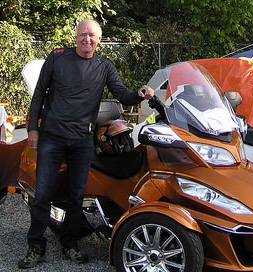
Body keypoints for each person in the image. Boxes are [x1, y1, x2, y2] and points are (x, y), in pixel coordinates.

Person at [18, 18, 154, 269]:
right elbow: (39, 94)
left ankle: (70, 244)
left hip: (82, 140)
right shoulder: (57, 58)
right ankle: (35, 246)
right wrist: (32, 129)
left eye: (92, 35)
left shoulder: (104, 66)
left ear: (98, 40)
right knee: (43, 194)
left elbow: (122, 93)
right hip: (52, 136)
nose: (87, 39)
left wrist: (139, 93)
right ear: (76, 36)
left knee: (76, 195)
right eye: (83, 34)